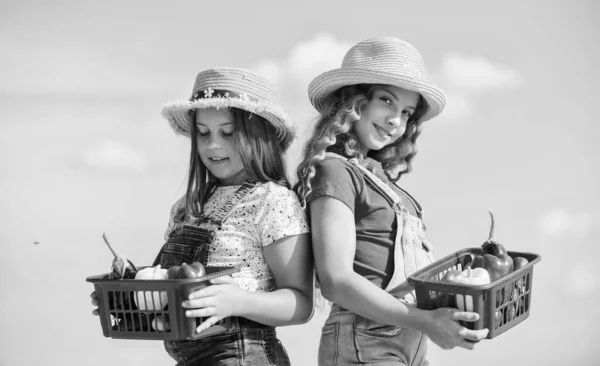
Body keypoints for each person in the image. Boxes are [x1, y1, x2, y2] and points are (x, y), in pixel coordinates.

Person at [91, 67, 314, 366]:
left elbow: (300, 303)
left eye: (228, 132)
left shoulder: (273, 201)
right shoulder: (186, 207)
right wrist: (129, 299)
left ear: (258, 136)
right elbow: (172, 302)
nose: (213, 145)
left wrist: (240, 301)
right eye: (203, 133)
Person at [295, 37, 489, 366]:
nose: (395, 120)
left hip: (410, 340)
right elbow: (337, 281)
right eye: (386, 101)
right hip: (365, 340)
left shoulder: (390, 188)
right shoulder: (336, 170)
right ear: (354, 101)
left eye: (406, 112)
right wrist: (426, 321)